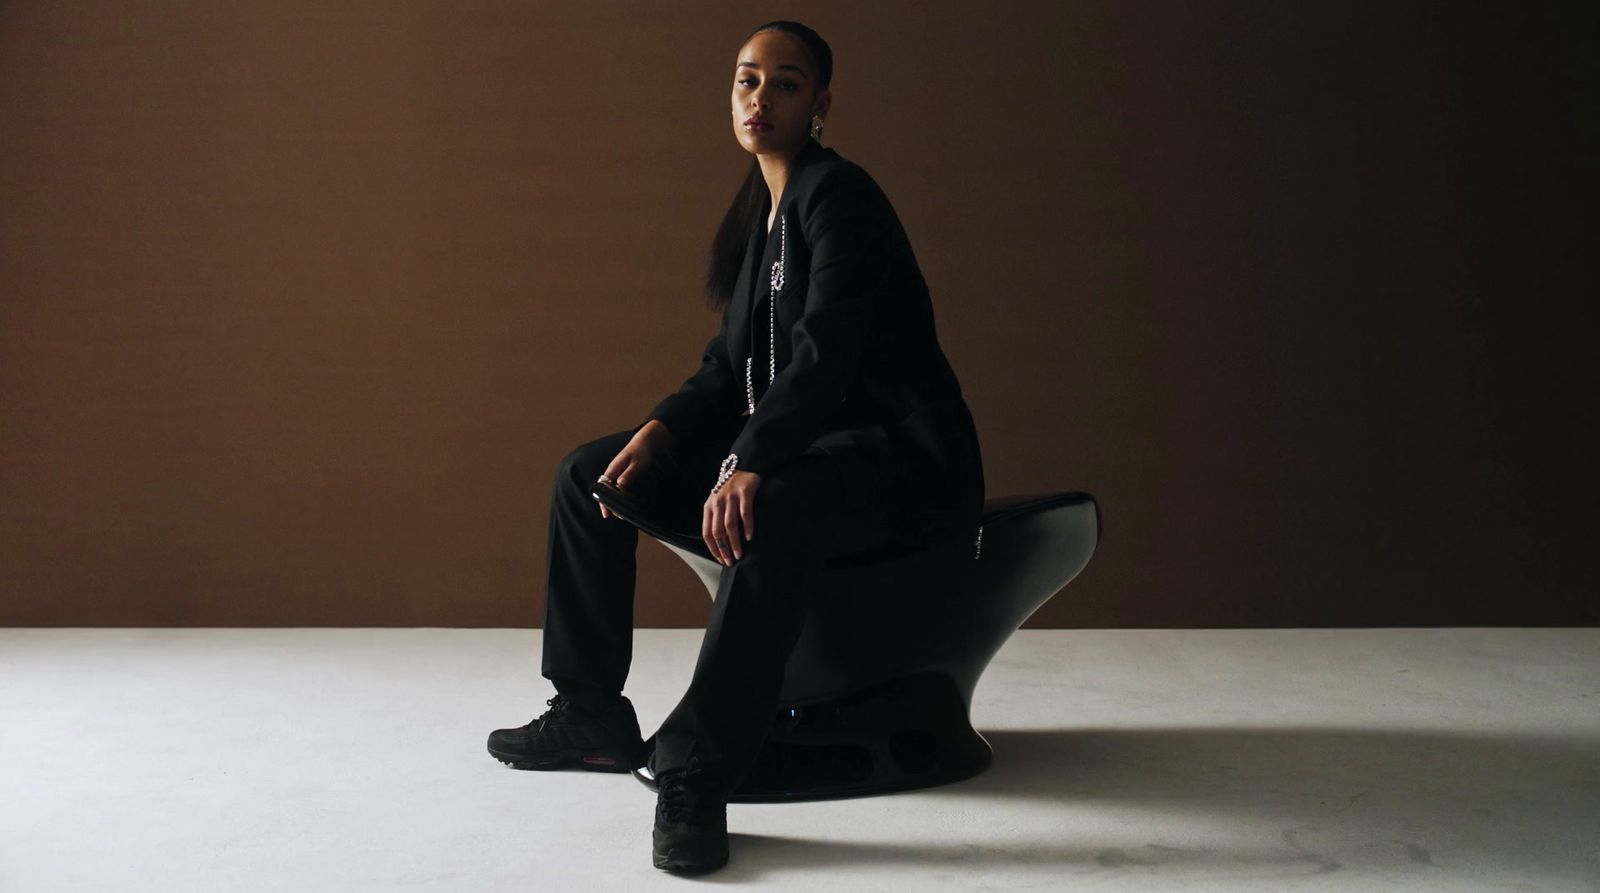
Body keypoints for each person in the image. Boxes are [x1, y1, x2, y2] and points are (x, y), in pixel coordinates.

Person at [486, 20, 984, 874]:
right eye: (748, 80)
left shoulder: (841, 198)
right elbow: (728, 366)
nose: (760, 97)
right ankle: (591, 712)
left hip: (895, 463)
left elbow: (830, 350)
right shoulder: (763, 211)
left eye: (785, 83)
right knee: (588, 476)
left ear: (820, 104)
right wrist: (662, 428)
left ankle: (700, 774)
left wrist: (753, 460)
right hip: (803, 452)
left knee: (774, 508)